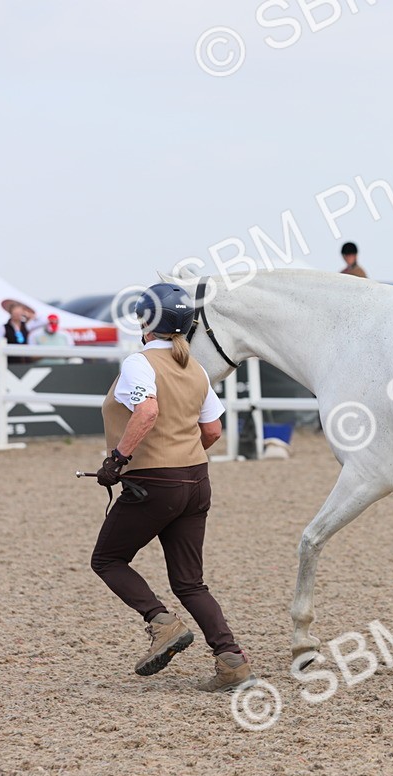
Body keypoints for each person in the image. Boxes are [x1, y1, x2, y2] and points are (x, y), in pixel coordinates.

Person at [90, 283, 256, 693]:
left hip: (153, 484)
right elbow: (213, 430)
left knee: (108, 560)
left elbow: (147, 411)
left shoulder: (139, 363)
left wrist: (117, 460)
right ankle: (231, 661)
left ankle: (161, 623)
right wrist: (180, 459)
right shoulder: (195, 367)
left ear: (145, 320)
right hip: (196, 481)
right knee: (190, 582)